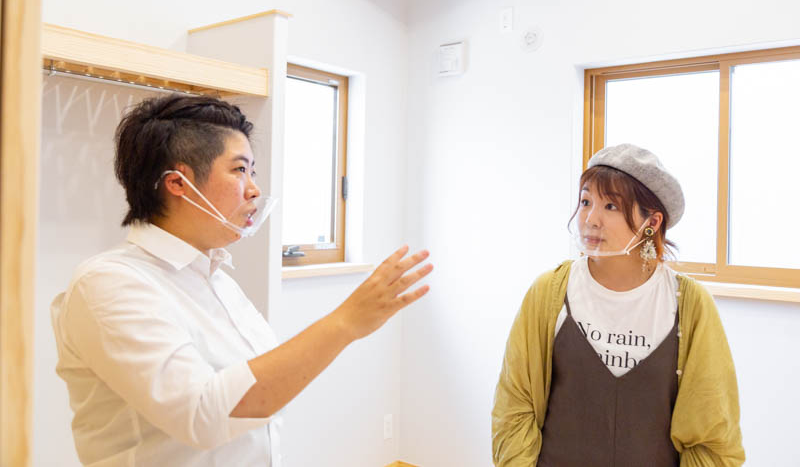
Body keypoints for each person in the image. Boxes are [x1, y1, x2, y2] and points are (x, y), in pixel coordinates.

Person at [51, 94, 432, 467]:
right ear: (178, 183)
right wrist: (346, 322)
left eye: (252, 172)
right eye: (239, 170)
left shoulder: (217, 279)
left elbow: (256, 399)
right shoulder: (108, 283)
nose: (254, 189)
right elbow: (202, 415)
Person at [492, 143, 744, 466]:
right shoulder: (549, 293)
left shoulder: (689, 305)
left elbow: (714, 438)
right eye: (586, 201)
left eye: (610, 206)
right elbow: (514, 410)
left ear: (652, 222)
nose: (590, 219)